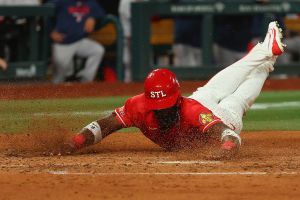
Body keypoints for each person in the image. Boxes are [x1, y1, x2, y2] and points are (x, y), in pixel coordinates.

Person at [60, 21, 285, 159]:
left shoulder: (190, 111)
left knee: (236, 102)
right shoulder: (138, 106)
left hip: (221, 117)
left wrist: (227, 146)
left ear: (176, 100)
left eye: (166, 107)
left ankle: (266, 54)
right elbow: (106, 124)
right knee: (217, 86)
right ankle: (266, 54)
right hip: (198, 99)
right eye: (157, 107)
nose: (162, 112)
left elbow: (226, 133)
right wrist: (78, 140)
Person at [47, 0, 106, 83]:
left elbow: (101, 13)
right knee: (59, 77)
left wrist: (93, 17)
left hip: (80, 40)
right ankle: (54, 92)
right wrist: (51, 32)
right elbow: (44, 11)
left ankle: (85, 81)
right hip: (63, 42)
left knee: (98, 50)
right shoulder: (61, 1)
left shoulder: (89, 2)